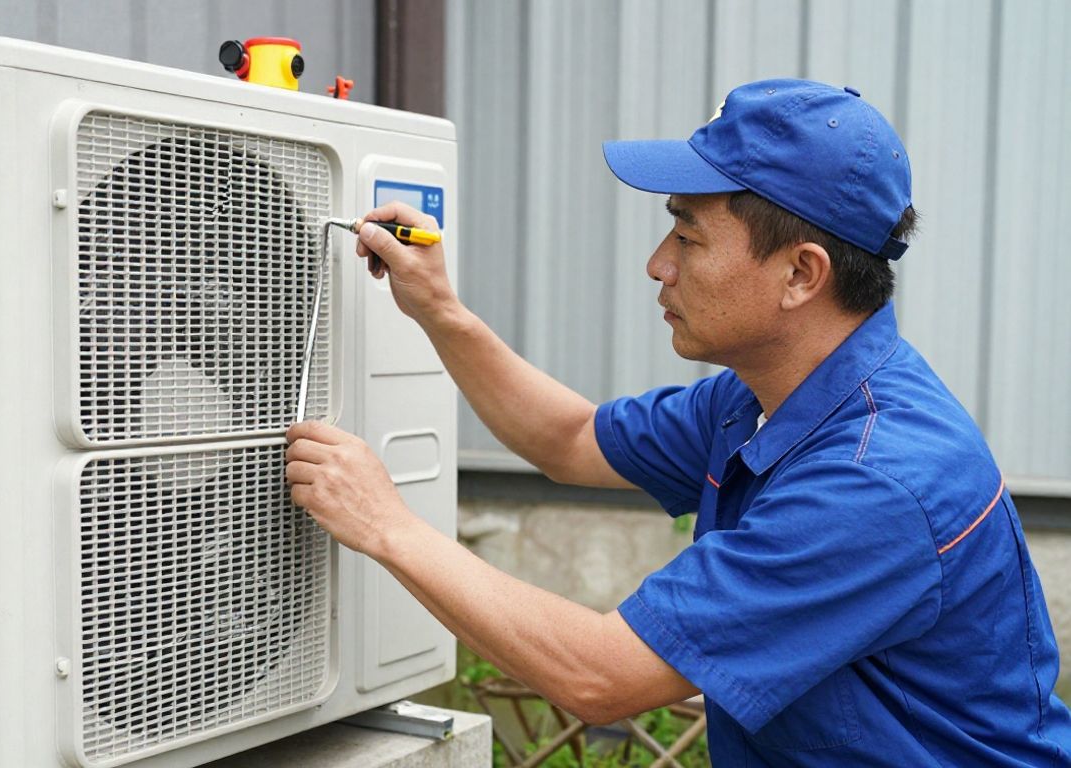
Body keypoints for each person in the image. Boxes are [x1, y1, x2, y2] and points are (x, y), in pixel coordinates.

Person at [283, 79, 1071, 765]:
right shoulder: (767, 396)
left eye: (689, 236)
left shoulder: (876, 479)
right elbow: (569, 439)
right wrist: (441, 312)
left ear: (801, 274)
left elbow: (602, 677)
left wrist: (386, 523)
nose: (658, 262)